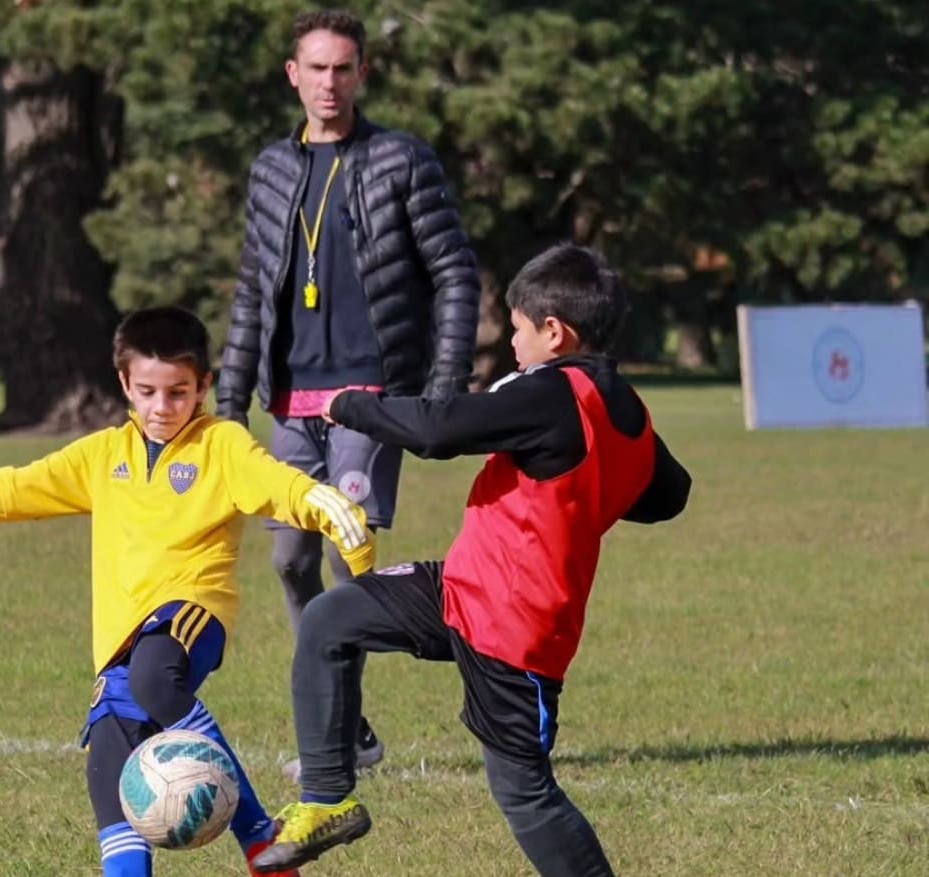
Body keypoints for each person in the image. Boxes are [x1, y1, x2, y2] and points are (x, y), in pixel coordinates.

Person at [0, 306, 377, 877]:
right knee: (110, 780)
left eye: (178, 392)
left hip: (190, 614)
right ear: (125, 385)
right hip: (120, 643)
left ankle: (259, 838)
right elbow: (8, 489)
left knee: (154, 679)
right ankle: (254, 857)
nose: (162, 407)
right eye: (148, 392)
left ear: (203, 386)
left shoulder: (223, 445)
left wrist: (329, 509)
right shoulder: (102, 456)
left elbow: (280, 486)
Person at [251, 244, 693, 876]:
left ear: (554, 332)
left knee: (525, 791)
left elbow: (438, 429)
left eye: (517, 329)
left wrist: (350, 406)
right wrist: (587, 489)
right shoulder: (626, 409)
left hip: (515, 629)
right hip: (465, 589)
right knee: (331, 619)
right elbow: (669, 495)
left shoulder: (551, 393)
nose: (511, 344)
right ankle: (327, 800)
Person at [216, 8, 481, 780]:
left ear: (363, 73)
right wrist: (229, 405)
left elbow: (455, 271)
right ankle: (351, 723)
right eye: (316, 68)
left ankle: (332, 730)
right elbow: (251, 290)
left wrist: (439, 390)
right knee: (289, 560)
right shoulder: (272, 169)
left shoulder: (402, 159)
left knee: (345, 555)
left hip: (369, 395)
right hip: (291, 399)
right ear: (292, 75)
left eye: (343, 68)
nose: (329, 83)